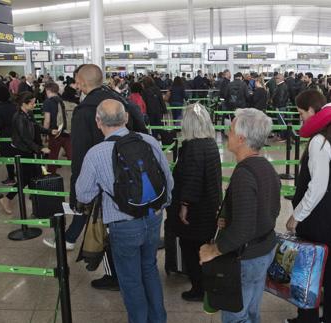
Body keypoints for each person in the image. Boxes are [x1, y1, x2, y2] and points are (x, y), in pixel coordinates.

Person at [43, 64, 144, 290]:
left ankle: (114, 275)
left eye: (77, 81)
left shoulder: (85, 110)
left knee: (105, 226)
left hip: (103, 179)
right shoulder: (118, 99)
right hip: (131, 174)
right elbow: (141, 128)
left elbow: (79, 154)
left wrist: (76, 193)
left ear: (81, 82)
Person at [76, 99, 173, 323]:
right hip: (153, 217)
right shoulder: (149, 141)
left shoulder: (95, 153)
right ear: (127, 118)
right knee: (149, 268)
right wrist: (160, 208)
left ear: (98, 121)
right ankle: (158, 319)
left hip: (122, 225)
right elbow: (168, 180)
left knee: (130, 279)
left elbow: (84, 195)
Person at [286, 90, 331, 323]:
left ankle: (306, 318)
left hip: (321, 220)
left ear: (312, 110)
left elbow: (317, 187)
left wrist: (296, 216)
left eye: (301, 113)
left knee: (310, 270)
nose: (301, 119)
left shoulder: (319, 140)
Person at [199, 108, 280, 323]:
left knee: (236, 316)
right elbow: (271, 210)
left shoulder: (244, 174)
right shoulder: (266, 167)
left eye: (231, 129)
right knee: (251, 310)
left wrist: (213, 250)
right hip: (264, 249)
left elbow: (243, 229)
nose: (227, 132)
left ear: (242, 138)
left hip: (248, 257)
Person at [166, 104, 221, 302]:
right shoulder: (210, 143)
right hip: (209, 206)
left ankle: (198, 289)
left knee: (191, 249)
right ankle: (207, 285)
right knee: (204, 247)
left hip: (195, 210)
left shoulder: (192, 147)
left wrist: (184, 205)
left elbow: (192, 179)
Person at [0, 92, 52, 214]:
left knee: (33, 176)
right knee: (26, 179)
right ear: (23, 104)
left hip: (28, 150)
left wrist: (49, 131)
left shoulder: (28, 114)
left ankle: (36, 206)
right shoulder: (18, 117)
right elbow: (25, 138)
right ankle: (7, 198)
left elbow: (36, 127)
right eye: (32, 103)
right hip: (22, 151)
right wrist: (40, 149)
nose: (34, 105)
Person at [42, 82, 71, 174]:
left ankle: (51, 176)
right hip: (66, 131)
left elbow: (47, 120)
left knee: (52, 155)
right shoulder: (62, 101)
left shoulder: (48, 102)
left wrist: (45, 133)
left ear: (48, 90)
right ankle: (79, 172)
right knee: (71, 155)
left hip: (54, 132)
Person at [0, 86, 17, 185]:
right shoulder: (15, 106)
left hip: (5, 136)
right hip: (17, 135)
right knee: (18, 155)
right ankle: (19, 173)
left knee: (8, 157)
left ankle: (11, 177)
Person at [271, 73, 290, 141]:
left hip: (280, 107)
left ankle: (283, 137)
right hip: (280, 106)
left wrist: (277, 106)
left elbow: (280, 98)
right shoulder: (281, 86)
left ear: (282, 78)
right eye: (276, 78)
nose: (276, 79)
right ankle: (281, 135)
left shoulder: (282, 86)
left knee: (281, 122)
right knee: (280, 122)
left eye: (277, 78)